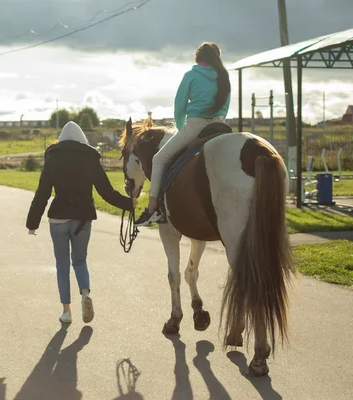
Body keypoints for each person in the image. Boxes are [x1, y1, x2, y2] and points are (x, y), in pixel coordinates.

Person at [26, 121, 137, 324]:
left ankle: (66, 311)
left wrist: (32, 223)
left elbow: (42, 193)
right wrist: (129, 203)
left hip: (58, 218)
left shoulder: (52, 158)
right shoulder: (90, 159)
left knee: (62, 265)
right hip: (82, 219)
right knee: (79, 260)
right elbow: (106, 192)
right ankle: (85, 294)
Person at [134, 42, 231, 226]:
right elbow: (225, 107)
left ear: (198, 57)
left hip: (195, 127)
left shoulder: (191, 75)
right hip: (221, 127)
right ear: (217, 57)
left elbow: (179, 108)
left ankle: (153, 209)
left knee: (159, 159)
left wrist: (181, 129)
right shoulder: (223, 76)